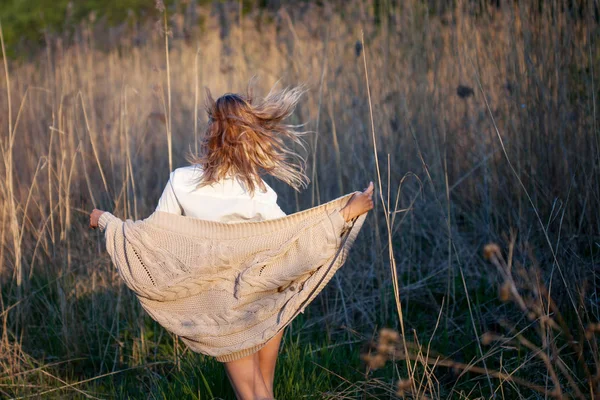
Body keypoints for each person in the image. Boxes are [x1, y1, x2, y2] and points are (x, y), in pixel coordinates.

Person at [89, 85, 374, 400]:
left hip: (225, 308)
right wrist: (344, 215)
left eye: (212, 119)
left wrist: (108, 222)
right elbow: (293, 239)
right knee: (262, 391)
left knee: (252, 395)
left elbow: (154, 240)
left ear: (214, 131)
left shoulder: (182, 181)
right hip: (266, 297)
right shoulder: (257, 190)